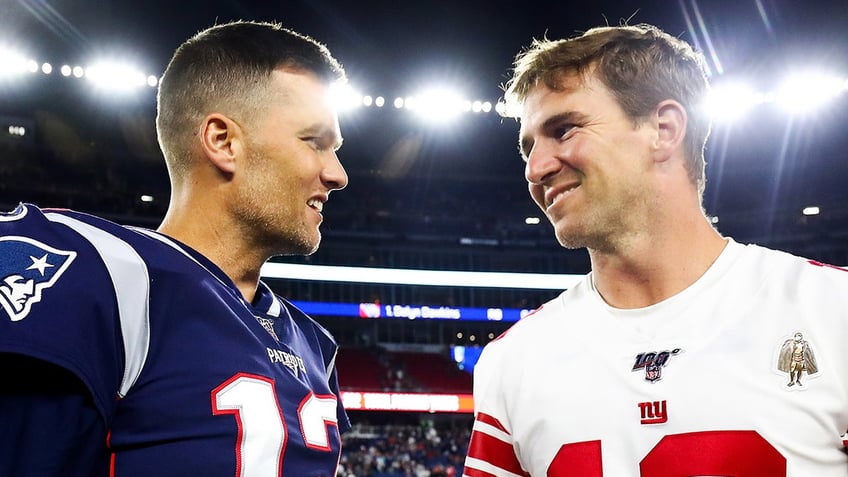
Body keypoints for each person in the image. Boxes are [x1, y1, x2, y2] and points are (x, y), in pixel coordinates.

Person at [463, 23, 848, 476]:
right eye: (528, 148)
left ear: (664, 129)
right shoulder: (511, 362)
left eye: (564, 130)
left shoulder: (832, 310)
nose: (536, 169)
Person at [0, 20, 351, 476]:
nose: (337, 173)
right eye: (316, 143)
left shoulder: (313, 347)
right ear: (223, 142)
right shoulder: (99, 275)